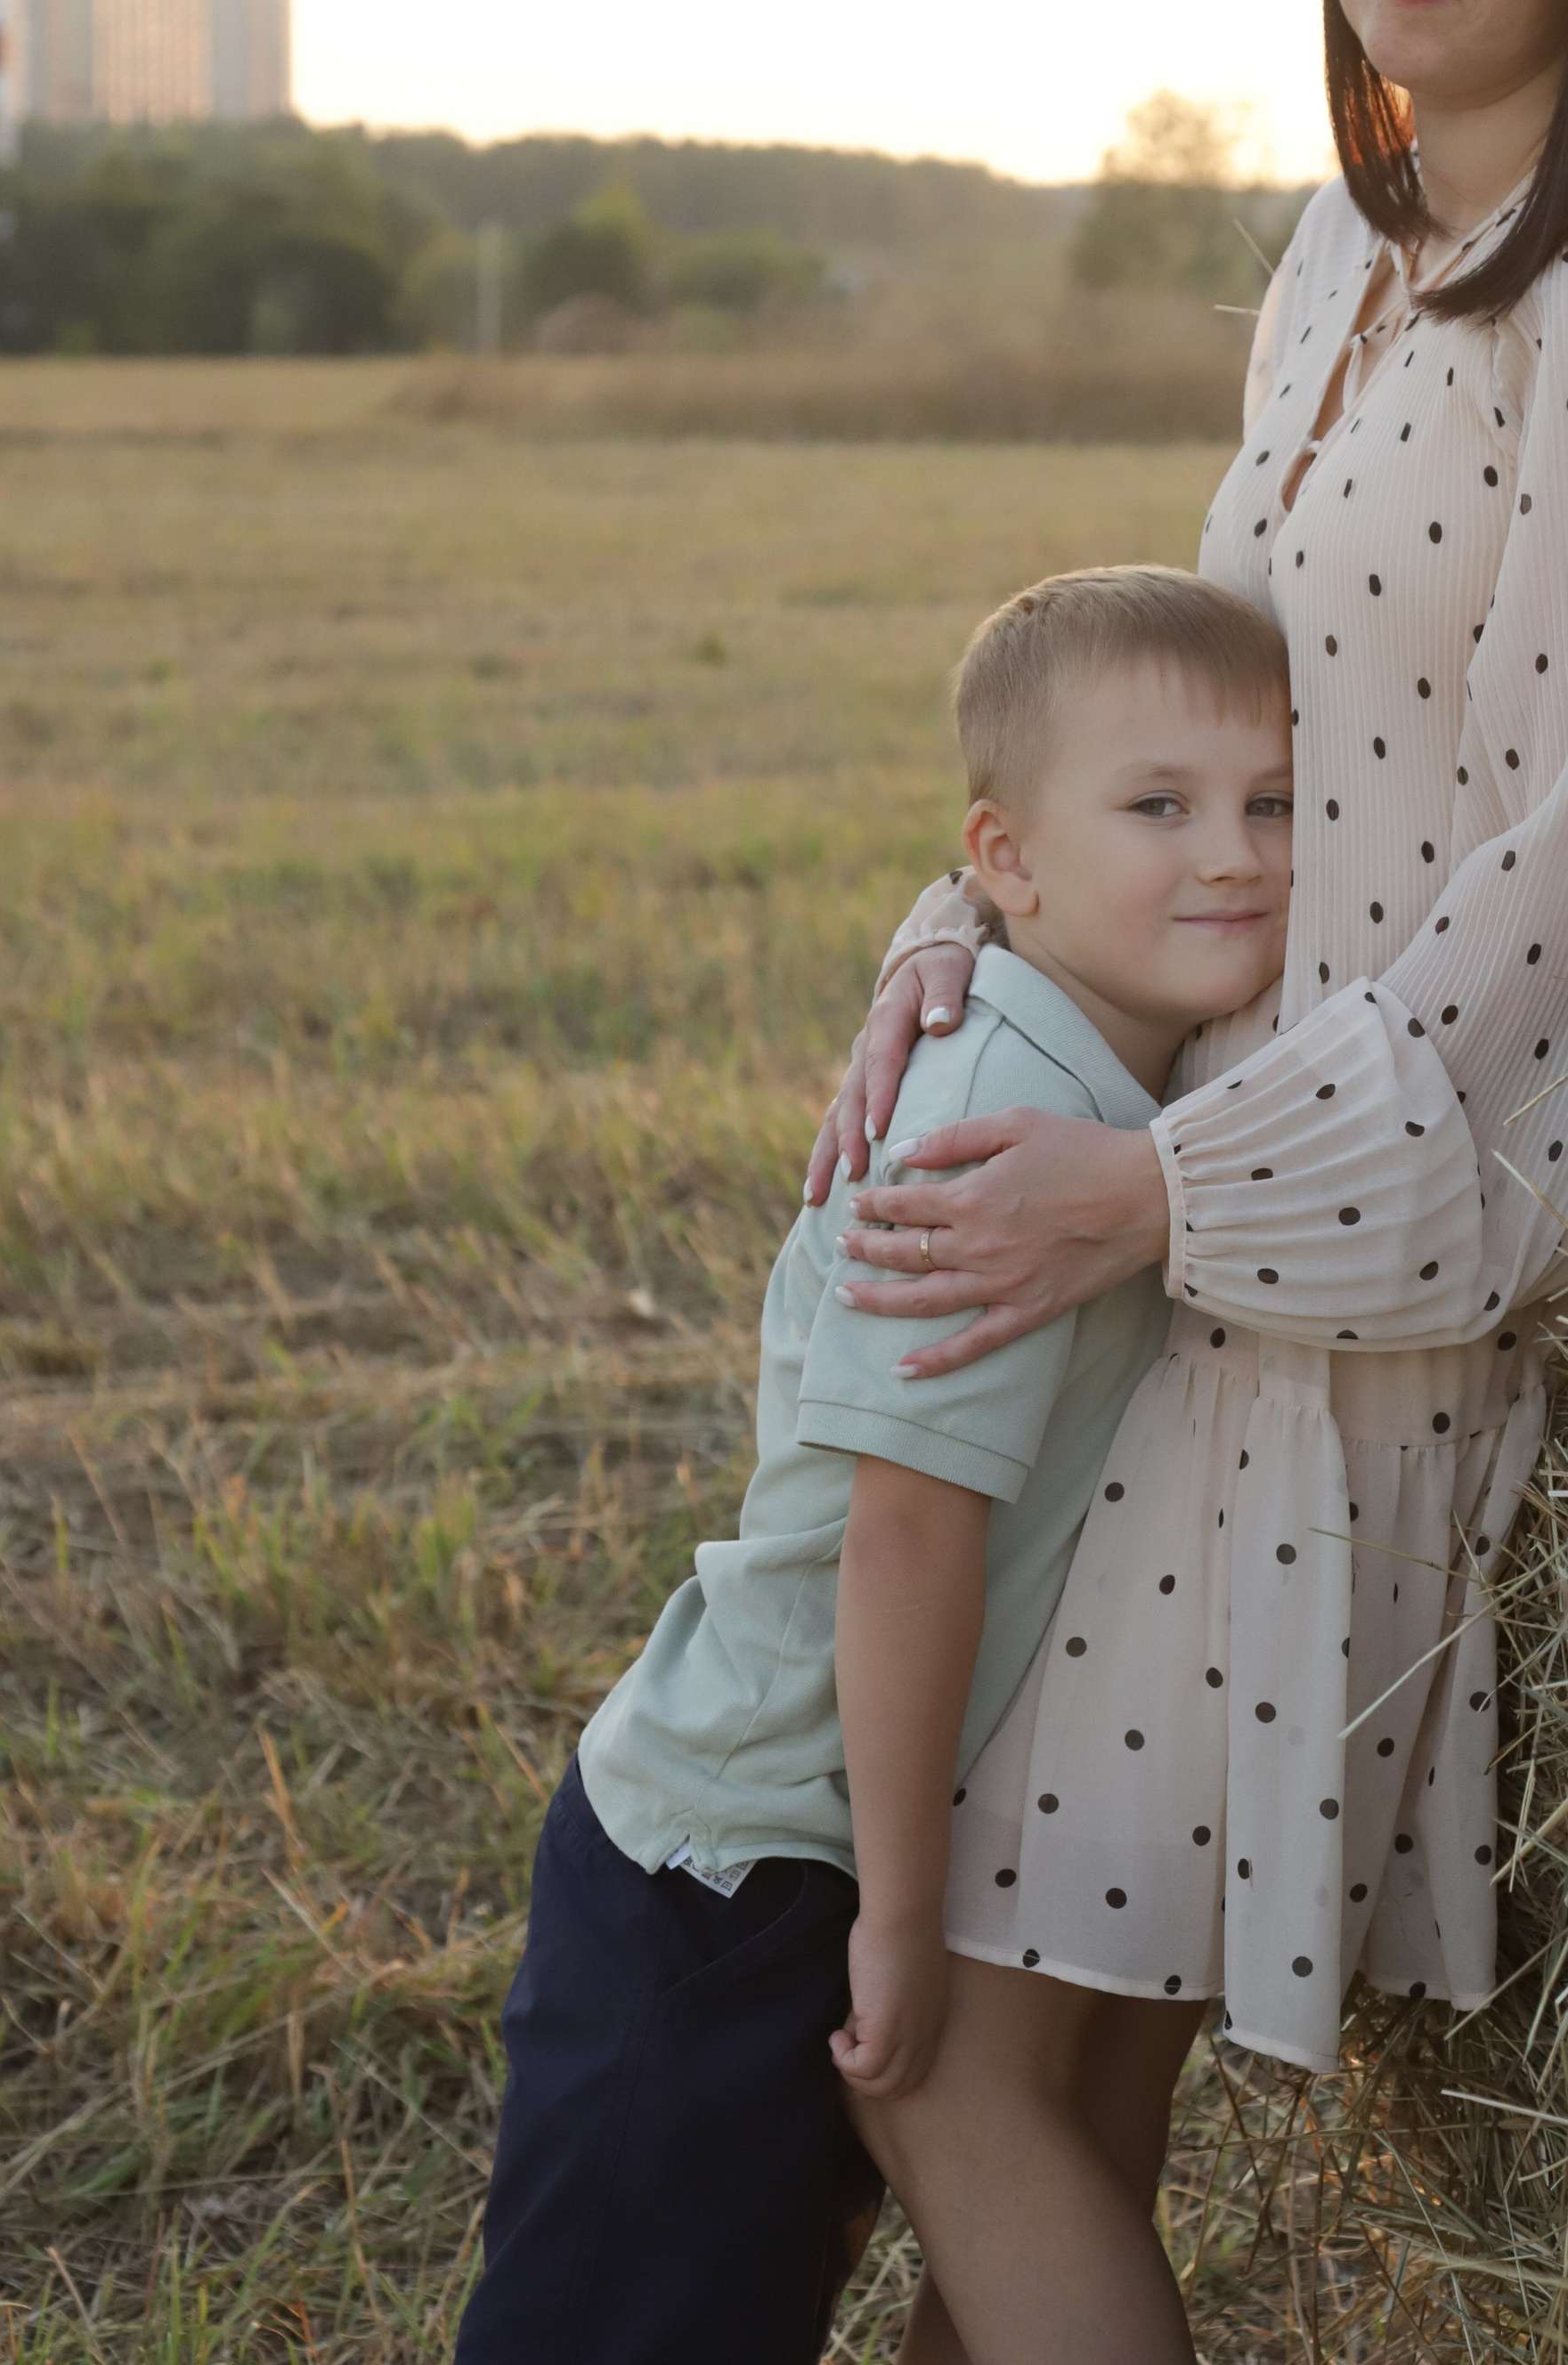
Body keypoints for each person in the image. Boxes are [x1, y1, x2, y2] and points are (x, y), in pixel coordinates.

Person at [808, 0, 1568, 2135]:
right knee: (1043, 2116)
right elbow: (1206, 709)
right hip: (1180, 1261)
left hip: (1343, 1323)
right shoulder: (1354, 254)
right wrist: (967, 930)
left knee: (966, 2097)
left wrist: (1160, 1195)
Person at [455, 566, 1297, 2365]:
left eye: (1273, 802)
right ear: (1004, 858)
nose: (1232, 854)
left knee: (753, 2295)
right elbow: (903, 1541)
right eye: (1157, 808)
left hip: (838, 1832)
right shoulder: (994, 1132)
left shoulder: (1146, 1096)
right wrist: (901, 1920)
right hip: (732, 1865)